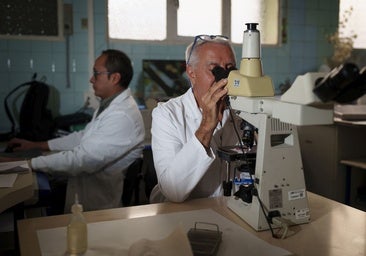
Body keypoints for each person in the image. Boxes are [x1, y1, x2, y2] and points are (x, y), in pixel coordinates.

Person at [4, 49, 145, 212]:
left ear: (114, 78)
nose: (91, 79)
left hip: (98, 204)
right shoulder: (110, 105)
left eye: (96, 73)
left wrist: (27, 164)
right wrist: (37, 145)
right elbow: (83, 137)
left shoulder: (122, 116)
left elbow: (81, 159)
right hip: (86, 192)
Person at [150, 35, 243, 203]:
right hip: (181, 216)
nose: (224, 78)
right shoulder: (167, 115)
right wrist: (207, 126)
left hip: (230, 210)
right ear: (191, 73)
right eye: (214, 69)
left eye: (229, 69)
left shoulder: (242, 113)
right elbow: (173, 190)